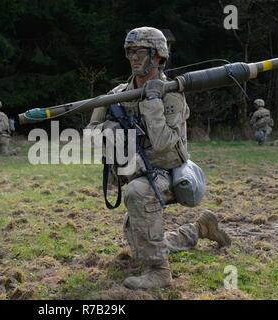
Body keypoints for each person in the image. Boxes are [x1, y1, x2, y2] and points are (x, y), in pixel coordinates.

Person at [86, 27, 231, 290]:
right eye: (130, 51)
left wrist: (152, 103)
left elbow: (165, 145)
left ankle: (159, 272)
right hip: (133, 172)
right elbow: (91, 134)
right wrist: (111, 131)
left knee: (137, 194)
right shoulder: (116, 94)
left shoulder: (171, 95)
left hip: (164, 172)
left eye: (140, 51)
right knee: (141, 242)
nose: (133, 57)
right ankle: (199, 229)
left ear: (157, 56)